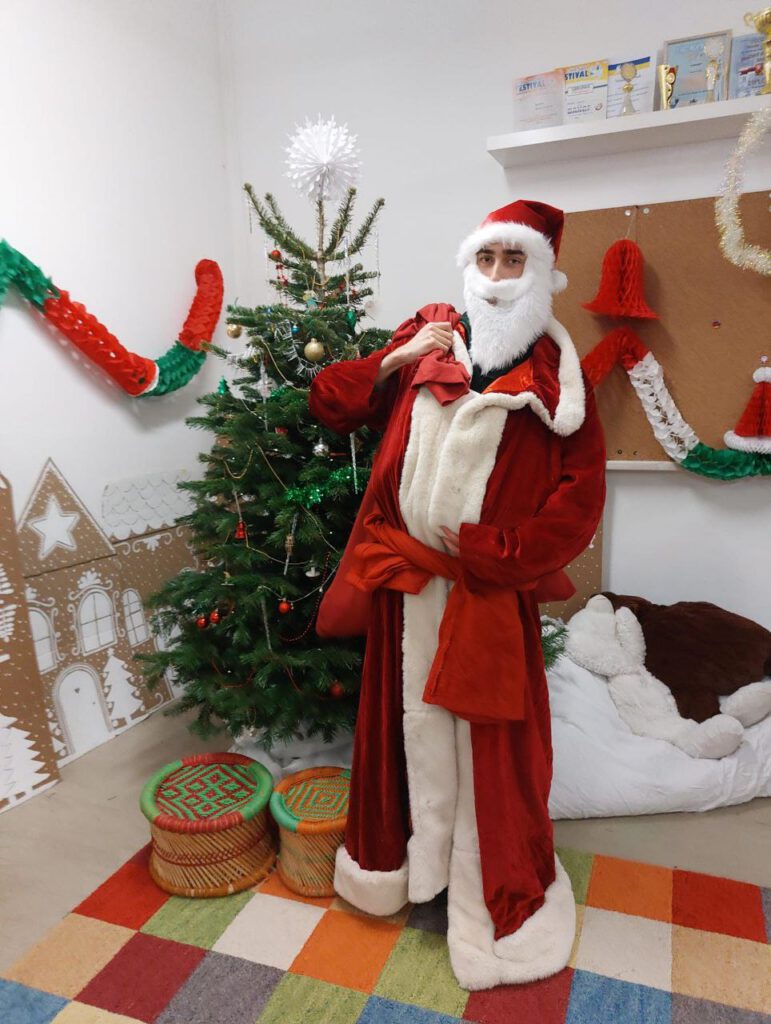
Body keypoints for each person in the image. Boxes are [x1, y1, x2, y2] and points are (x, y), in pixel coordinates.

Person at [309, 199, 606, 990]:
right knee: (404, 733)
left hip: (485, 595)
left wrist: (493, 554)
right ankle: (407, 873)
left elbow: (578, 500)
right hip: (405, 592)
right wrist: (394, 359)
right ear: (468, 266)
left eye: (514, 261)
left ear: (540, 274)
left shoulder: (557, 378)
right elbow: (331, 400)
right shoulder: (429, 335)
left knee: (491, 754)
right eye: (487, 259)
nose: (498, 276)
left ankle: (491, 893)